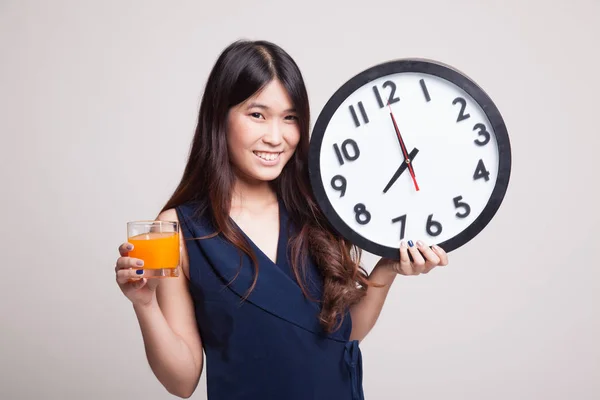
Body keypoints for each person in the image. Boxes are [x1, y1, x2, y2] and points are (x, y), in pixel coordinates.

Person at [114, 39, 449, 399]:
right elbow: (182, 381)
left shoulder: (317, 207)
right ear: (219, 116)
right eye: (257, 115)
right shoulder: (179, 228)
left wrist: (386, 270)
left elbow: (341, 336)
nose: (276, 137)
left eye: (290, 118)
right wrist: (145, 305)